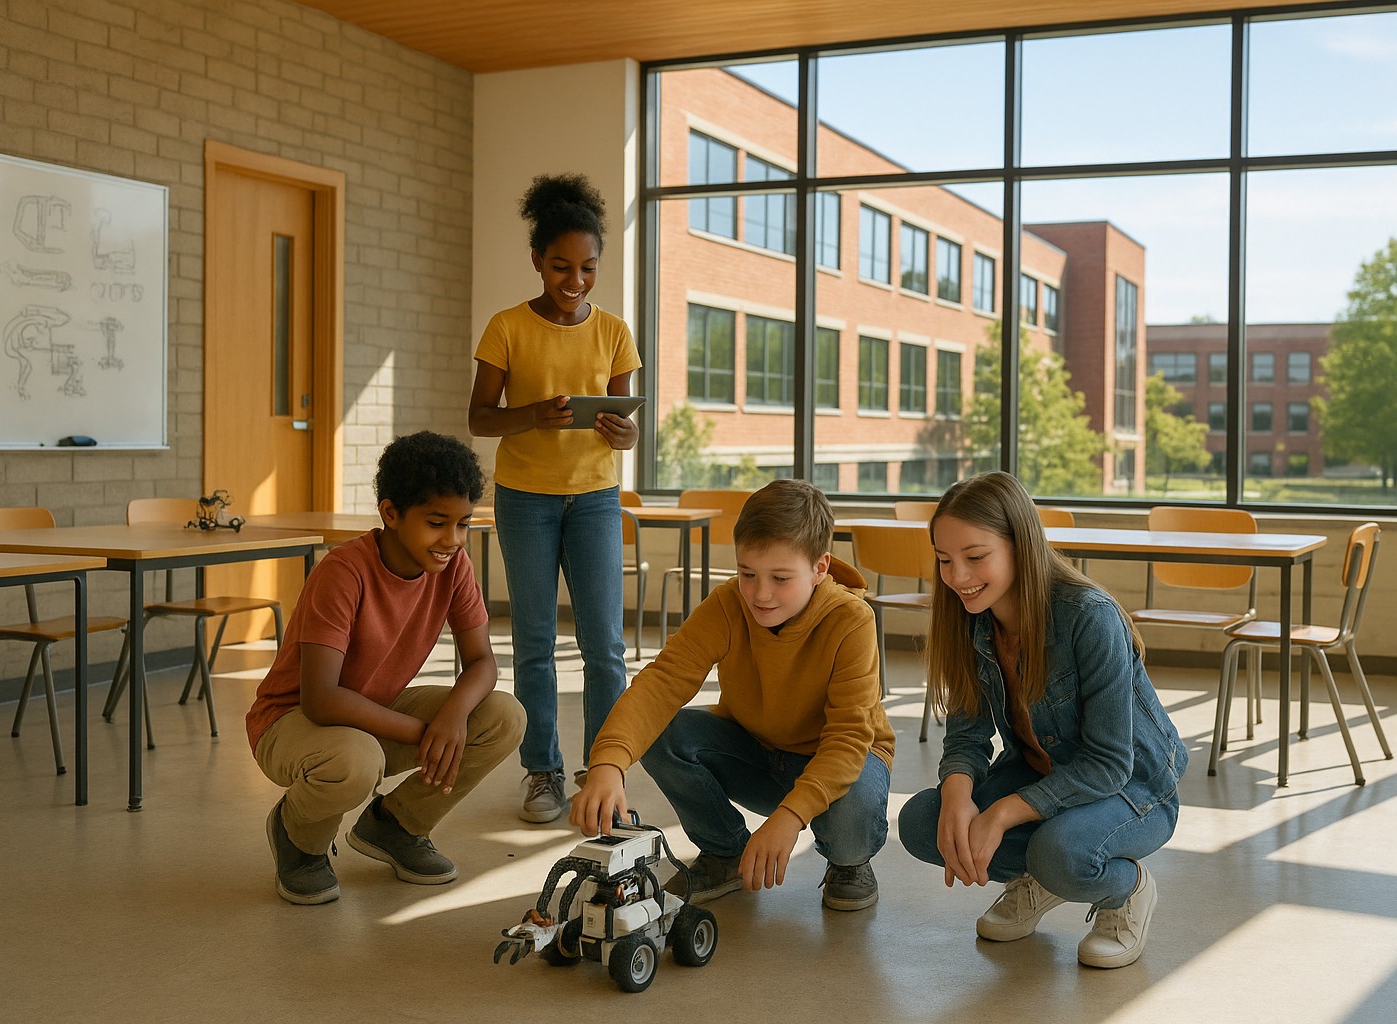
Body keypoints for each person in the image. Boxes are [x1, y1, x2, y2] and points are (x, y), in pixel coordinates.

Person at [897, 472, 1187, 968]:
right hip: (1043, 774)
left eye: (975, 556)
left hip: (1133, 787)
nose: (957, 577)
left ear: (1020, 545)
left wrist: (1004, 812)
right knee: (923, 823)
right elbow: (967, 735)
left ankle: (1125, 889)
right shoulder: (969, 617)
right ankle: (1043, 875)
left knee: (1059, 852)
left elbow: (1109, 764)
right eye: (944, 560)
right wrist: (956, 795)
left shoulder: (1087, 616)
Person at [571, 479, 895, 912]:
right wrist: (608, 762)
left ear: (820, 568)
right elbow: (661, 683)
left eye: (781, 578)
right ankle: (725, 851)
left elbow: (848, 740)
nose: (760, 594)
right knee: (663, 732)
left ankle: (848, 863)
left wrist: (789, 817)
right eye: (747, 574)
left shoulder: (852, 621)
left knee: (851, 820)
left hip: (841, 760)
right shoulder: (727, 604)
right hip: (759, 751)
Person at [246, 431, 526, 905]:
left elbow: (482, 662)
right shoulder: (344, 570)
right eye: (438, 523)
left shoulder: (453, 566)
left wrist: (453, 717)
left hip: (372, 709)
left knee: (503, 716)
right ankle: (299, 837)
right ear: (391, 513)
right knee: (356, 761)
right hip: (291, 721)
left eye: (463, 524)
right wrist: (424, 731)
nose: (453, 540)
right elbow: (320, 699)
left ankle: (395, 826)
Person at [468, 173, 642, 825]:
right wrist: (530, 416)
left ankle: (605, 772)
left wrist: (624, 433)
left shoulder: (616, 333)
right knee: (534, 640)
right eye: (562, 266)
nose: (575, 280)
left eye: (588, 268)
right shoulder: (507, 327)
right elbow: (480, 418)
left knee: (604, 646)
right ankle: (541, 772)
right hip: (525, 500)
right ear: (537, 261)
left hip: (596, 499)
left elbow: (624, 426)